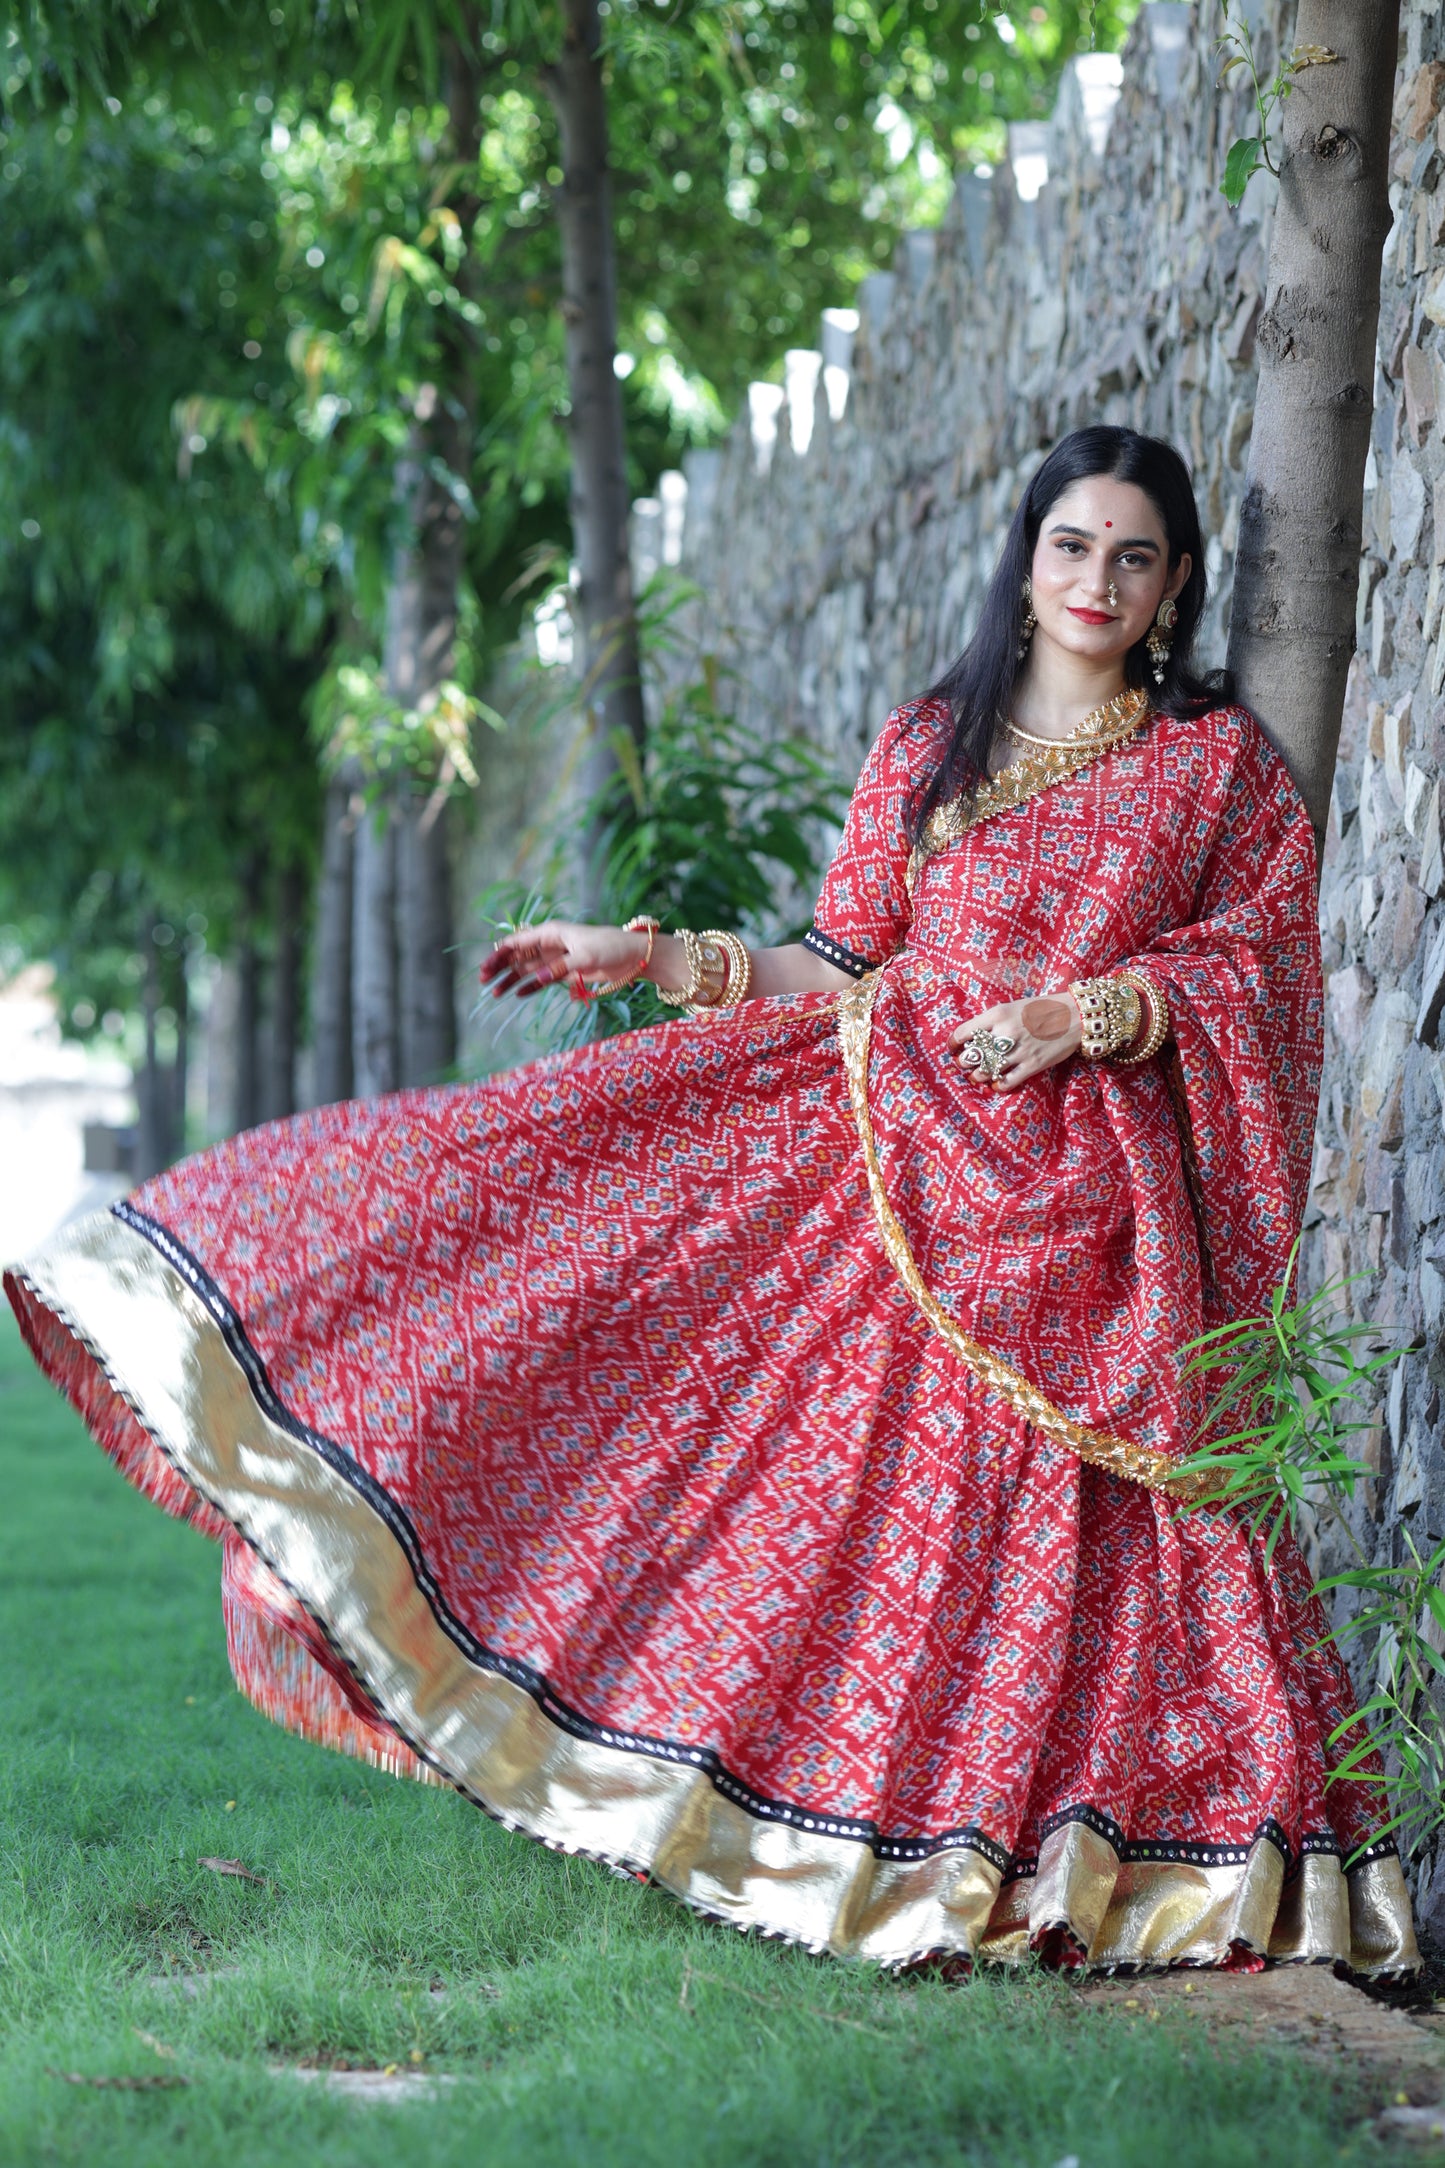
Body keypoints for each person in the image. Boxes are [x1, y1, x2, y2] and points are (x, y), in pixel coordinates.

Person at [6, 425, 1418, 1978]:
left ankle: (1150, 1858)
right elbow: (843, 967)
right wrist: (656, 959)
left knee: (1106, 1546)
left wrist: (1086, 1016)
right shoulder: (927, 749)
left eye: (1134, 556)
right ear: (1024, 562)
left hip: (1104, 1225)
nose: (1098, 579)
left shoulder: (1205, 769)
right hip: (904, 1179)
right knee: (871, 1525)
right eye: (1072, 544)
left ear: (1173, 589)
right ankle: (898, 1849)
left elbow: (1261, 974)